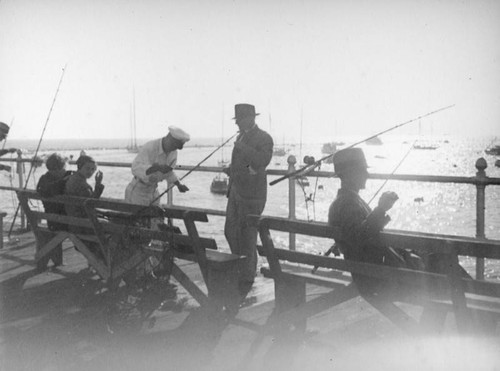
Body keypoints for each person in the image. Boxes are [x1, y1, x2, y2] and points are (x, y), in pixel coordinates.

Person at [327, 148, 423, 294]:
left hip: (371, 274)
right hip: (380, 279)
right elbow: (360, 237)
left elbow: (355, 235)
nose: (367, 174)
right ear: (350, 174)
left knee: (436, 258)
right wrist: (381, 208)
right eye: (362, 170)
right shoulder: (348, 203)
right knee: (443, 261)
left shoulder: (343, 202)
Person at [224, 103, 274, 302]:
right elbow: (245, 164)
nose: (237, 124)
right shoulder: (241, 136)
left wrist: (243, 148)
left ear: (251, 118)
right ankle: (241, 268)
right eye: (236, 121)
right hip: (235, 191)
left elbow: (263, 160)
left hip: (252, 194)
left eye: (240, 120)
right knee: (230, 231)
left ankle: (247, 278)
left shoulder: (264, 138)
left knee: (248, 236)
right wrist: (232, 169)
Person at [125, 125, 190, 207]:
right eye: (174, 146)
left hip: (153, 191)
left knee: (156, 217)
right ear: (169, 139)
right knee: (137, 219)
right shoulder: (150, 147)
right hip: (138, 192)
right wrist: (156, 168)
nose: (174, 149)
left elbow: (169, 172)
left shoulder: (173, 152)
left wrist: (178, 184)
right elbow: (135, 168)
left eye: (176, 147)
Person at [36, 153, 73, 268]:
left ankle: (54, 261)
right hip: (66, 223)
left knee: (50, 235)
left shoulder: (43, 179)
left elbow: (41, 189)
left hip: (51, 221)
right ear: (60, 168)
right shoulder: (64, 181)